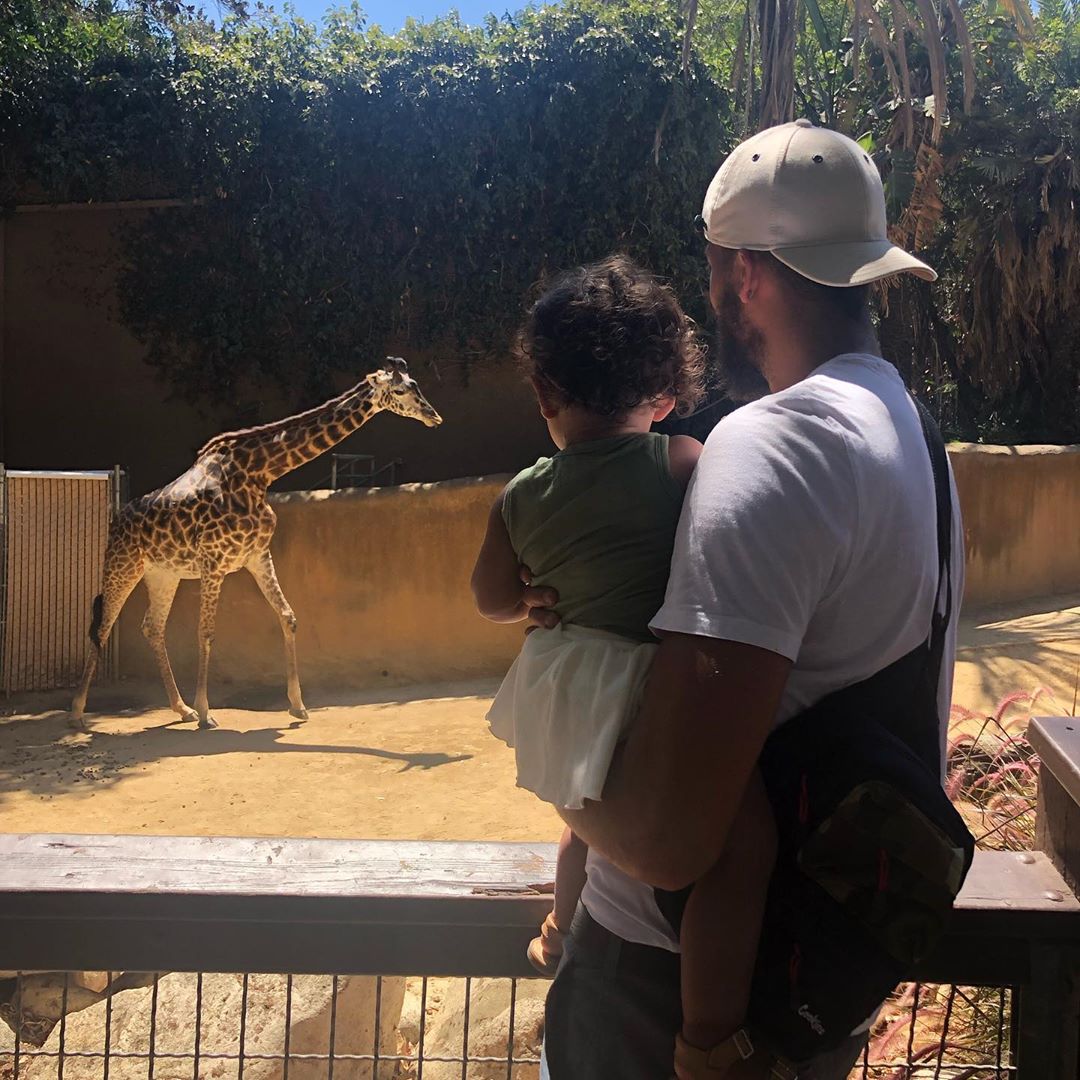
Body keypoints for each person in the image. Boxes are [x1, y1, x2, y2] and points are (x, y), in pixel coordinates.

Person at [523, 120, 965, 1080]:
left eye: (716, 268)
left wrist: (542, 746)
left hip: (666, 1003)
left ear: (745, 275)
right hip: (818, 981)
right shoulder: (909, 433)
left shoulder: (771, 445)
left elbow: (673, 839)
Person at [471, 254, 779, 1079]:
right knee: (739, 843)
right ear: (670, 393)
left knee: (580, 823)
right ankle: (710, 1035)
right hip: (642, 683)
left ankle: (564, 936)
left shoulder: (520, 496)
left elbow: (489, 598)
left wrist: (529, 604)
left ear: (543, 397)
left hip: (560, 683)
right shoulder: (683, 463)